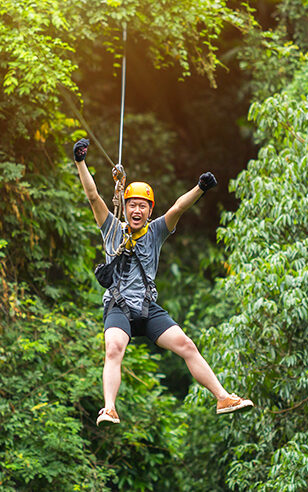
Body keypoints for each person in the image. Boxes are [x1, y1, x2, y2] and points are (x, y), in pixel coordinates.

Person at [72, 138, 253, 426]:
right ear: (125, 205)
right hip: (118, 306)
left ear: (149, 210)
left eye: (142, 206)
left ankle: (222, 397)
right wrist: (81, 162)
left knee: (186, 345)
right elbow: (94, 197)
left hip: (146, 308)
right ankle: (109, 408)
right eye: (132, 205)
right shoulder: (110, 228)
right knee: (113, 348)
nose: (136, 210)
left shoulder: (156, 231)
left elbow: (178, 208)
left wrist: (200, 188)